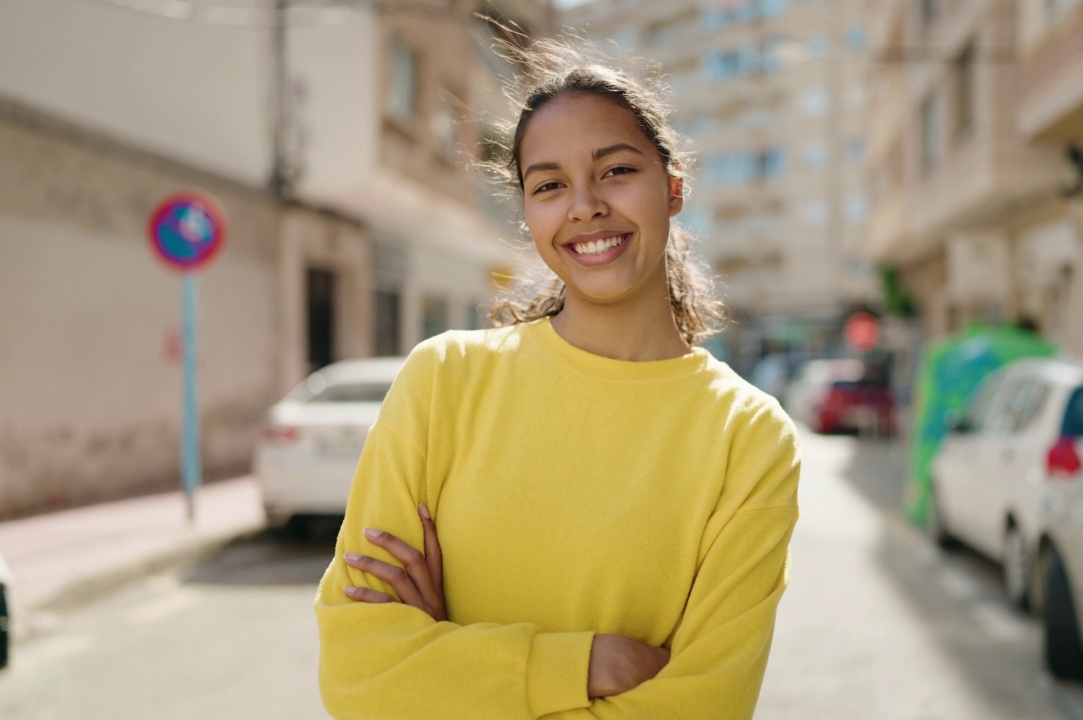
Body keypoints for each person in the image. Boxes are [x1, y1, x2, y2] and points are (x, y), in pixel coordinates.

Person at [314, 37, 801, 720]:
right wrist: (579, 665)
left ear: (674, 185)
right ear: (529, 214)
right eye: (549, 185)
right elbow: (356, 673)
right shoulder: (444, 380)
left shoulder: (748, 437)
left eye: (616, 170)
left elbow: (704, 707)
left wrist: (450, 663)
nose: (584, 206)